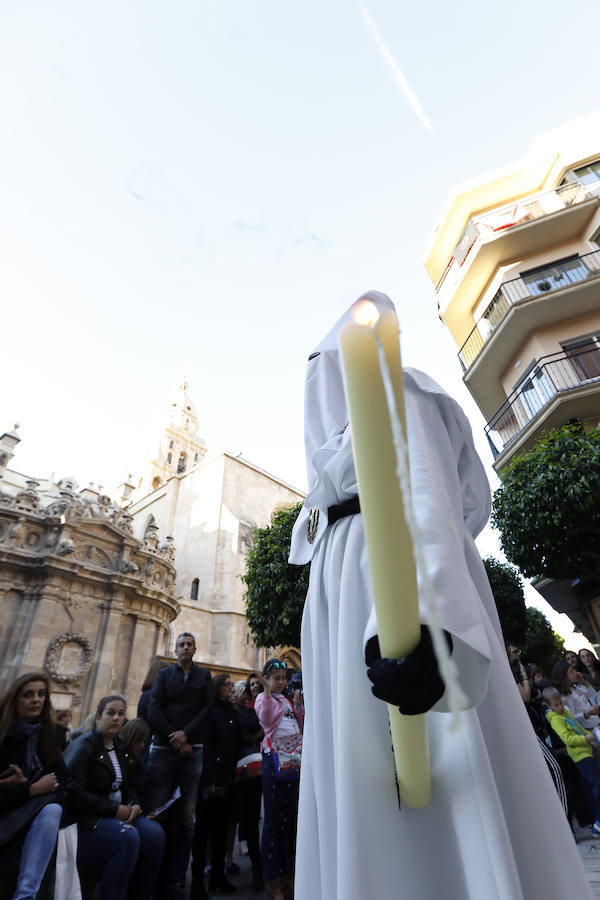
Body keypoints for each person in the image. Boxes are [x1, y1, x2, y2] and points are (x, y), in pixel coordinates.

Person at [288, 292, 592, 900]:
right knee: (359, 786)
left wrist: (427, 622)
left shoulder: (399, 391)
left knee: (437, 795)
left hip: (389, 594)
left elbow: (427, 503)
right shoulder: (332, 466)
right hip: (345, 609)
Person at [145, 632, 213, 900]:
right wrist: (176, 738)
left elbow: (206, 710)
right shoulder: (164, 676)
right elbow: (154, 708)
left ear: (195, 649)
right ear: (175, 650)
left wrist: (186, 735)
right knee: (157, 814)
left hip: (192, 750)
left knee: (186, 820)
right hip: (165, 750)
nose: (185, 648)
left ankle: (175, 881)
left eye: (189, 645)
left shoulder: (203, 676)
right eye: (181, 645)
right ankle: (154, 880)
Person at [0, 673, 64, 900]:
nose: (36, 700)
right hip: (8, 816)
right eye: (28, 695)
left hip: (38, 817)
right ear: (14, 699)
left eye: (41, 694)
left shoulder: (50, 735)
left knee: (53, 809)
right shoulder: (4, 736)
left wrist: (30, 788)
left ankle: (26, 896)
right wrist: (30, 789)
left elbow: (63, 782)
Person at [255, 659, 304, 900]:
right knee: (273, 822)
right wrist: (265, 691)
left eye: (284, 678)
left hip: (292, 761)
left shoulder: (285, 700)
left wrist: (298, 707)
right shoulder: (263, 700)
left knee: (288, 820)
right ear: (266, 679)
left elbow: (300, 726)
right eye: (276, 678)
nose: (282, 682)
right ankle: (273, 882)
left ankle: (288, 877)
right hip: (274, 761)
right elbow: (266, 720)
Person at [191, 674, 241, 899]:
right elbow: (207, 747)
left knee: (221, 832)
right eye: (227, 685)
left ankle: (218, 877)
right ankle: (197, 882)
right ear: (217, 688)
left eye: (232, 685)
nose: (231, 688)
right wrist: (209, 780)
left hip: (228, 779)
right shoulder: (210, 712)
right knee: (203, 833)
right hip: (211, 781)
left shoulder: (232, 712)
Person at [544, 687, 600, 834]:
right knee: (596, 785)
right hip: (579, 755)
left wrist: (591, 734)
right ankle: (598, 822)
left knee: (590, 786)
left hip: (587, 751)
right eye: (556, 705)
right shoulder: (556, 719)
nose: (560, 707)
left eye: (561, 703)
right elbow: (568, 739)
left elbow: (578, 729)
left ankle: (594, 819)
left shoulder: (566, 712)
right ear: (549, 706)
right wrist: (586, 738)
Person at [231, 680, 264, 892]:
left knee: (252, 820)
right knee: (242, 820)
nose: (253, 687)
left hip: (253, 770)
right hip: (236, 771)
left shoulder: (251, 710)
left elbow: (264, 728)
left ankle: (259, 870)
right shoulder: (233, 712)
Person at [552, 661, 600, 729]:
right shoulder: (563, 697)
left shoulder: (576, 687)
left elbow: (594, 698)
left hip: (596, 722)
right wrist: (587, 714)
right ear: (564, 677)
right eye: (571, 671)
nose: (576, 673)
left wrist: (584, 682)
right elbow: (571, 718)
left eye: (574, 670)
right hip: (588, 729)